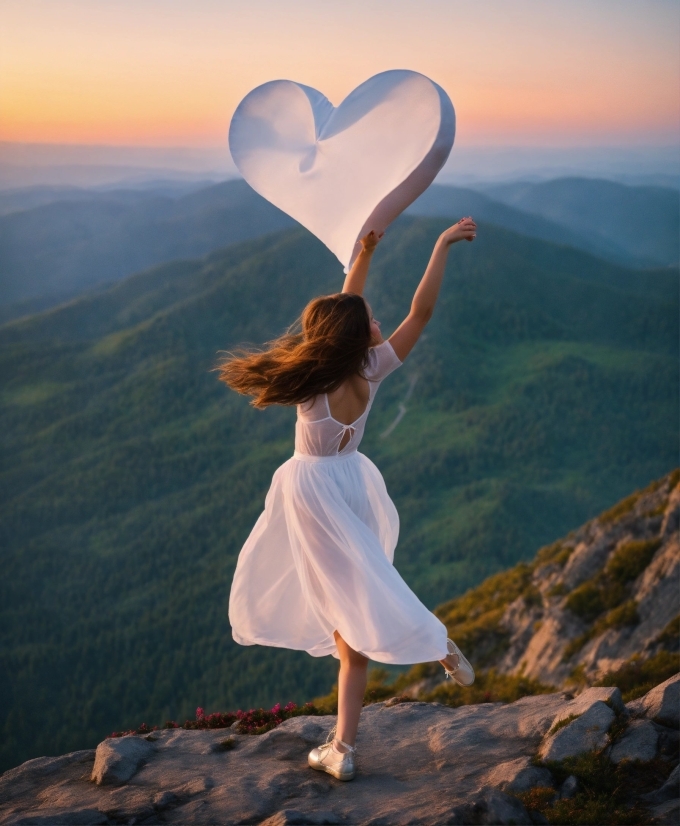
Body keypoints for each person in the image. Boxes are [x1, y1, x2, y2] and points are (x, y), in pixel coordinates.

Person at [218, 216, 478, 781]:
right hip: (353, 480)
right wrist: (439, 247)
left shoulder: (314, 382)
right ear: (356, 336)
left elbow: (345, 309)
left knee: (347, 616)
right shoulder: (372, 368)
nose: (376, 319)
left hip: (313, 493)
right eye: (368, 320)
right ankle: (428, 647)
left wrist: (362, 260)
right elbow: (420, 314)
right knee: (363, 586)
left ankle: (346, 745)